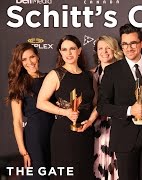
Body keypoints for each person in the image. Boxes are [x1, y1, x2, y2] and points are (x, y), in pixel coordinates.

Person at [97, 23, 142, 180]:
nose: (129, 48)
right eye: (125, 44)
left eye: (133, 43)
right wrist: (129, 110)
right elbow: (102, 106)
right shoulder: (112, 71)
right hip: (124, 140)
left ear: (141, 43)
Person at [36, 35, 98, 180]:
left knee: (84, 173)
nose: (68, 53)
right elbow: (41, 102)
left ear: (79, 51)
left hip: (86, 132)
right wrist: (65, 112)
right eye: (64, 49)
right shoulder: (55, 74)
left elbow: (97, 104)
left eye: (72, 49)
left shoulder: (89, 76)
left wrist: (89, 121)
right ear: (60, 52)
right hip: (64, 134)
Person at [7, 43, 55, 180]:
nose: (29, 62)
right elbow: (17, 121)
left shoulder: (50, 78)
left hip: (54, 133)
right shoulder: (19, 84)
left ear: (38, 57)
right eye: (24, 59)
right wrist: (23, 151)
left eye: (32, 57)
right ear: (20, 63)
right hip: (35, 136)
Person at [92, 35, 123, 180]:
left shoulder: (124, 71)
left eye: (107, 48)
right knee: (98, 160)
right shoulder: (91, 74)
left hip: (118, 124)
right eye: (100, 48)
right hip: (96, 125)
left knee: (117, 164)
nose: (104, 51)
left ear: (115, 50)